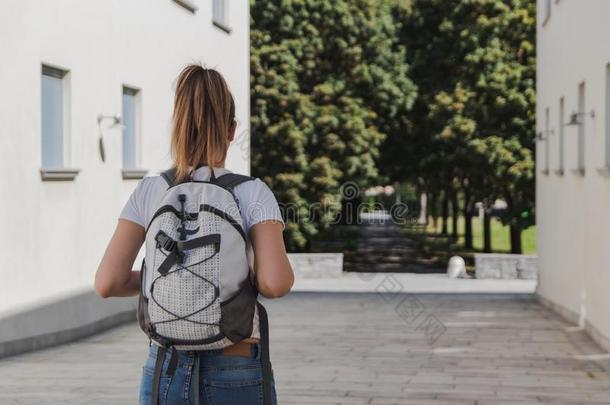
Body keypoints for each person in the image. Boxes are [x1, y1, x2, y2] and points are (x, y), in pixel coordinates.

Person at [94, 65, 294, 404]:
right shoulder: (253, 192)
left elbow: (107, 283)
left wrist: (172, 281)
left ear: (178, 125)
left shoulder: (150, 190)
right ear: (232, 130)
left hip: (165, 365)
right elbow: (275, 283)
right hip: (236, 362)